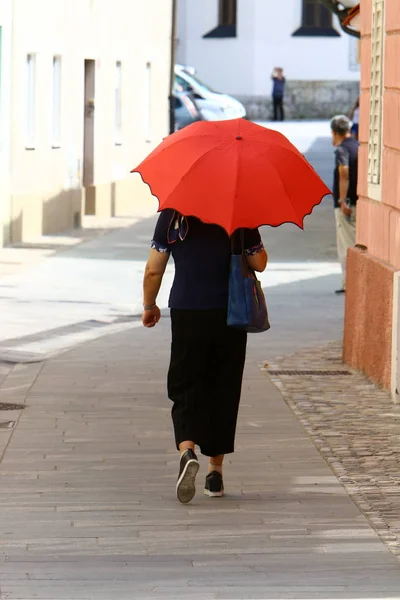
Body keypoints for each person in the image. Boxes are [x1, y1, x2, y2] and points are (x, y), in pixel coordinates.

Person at [141, 210, 268, 504]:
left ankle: (187, 449)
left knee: (186, 382)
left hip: (187, 309)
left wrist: (150, 304)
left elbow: (153, 269)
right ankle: (215, 473)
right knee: (223, 386)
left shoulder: (172, 215)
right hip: (231, 311)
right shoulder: (241, 211)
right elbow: (259, 262)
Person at [330, 115, 359, 294]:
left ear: (335, 132)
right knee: (357, 242)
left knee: (346, 244)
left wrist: (342, 200)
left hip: (347, 205)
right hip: (359, 201)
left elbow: (344, 173)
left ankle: (349, 282)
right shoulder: (357, 146)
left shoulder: (342, 150)